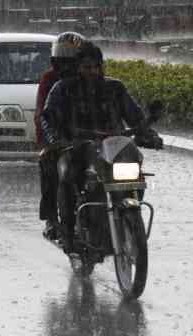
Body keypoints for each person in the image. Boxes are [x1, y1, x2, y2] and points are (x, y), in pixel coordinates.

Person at [41, 41, 163, 253]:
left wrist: (148, 134)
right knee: (67, 174)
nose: (91, 71)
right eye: (86, 67)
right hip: (78, 148)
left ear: (101, 66)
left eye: (95, 66)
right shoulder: (63, 89)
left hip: (113, 149)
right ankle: (68, 232)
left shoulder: (115, 88)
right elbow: (48, 118)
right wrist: (56, 140)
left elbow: (135, 117)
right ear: (78, 67)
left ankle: (129, 223)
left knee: (134, 171)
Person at [35, 32, 85, 240]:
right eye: (62, 59)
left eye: (71, 60)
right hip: (60, 137)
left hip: (90, 137)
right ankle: (51, 219)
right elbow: (42, 114)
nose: (66, 65)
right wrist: (52, 140)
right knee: (49, 167)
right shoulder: (50, 80)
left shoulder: (97, 79)